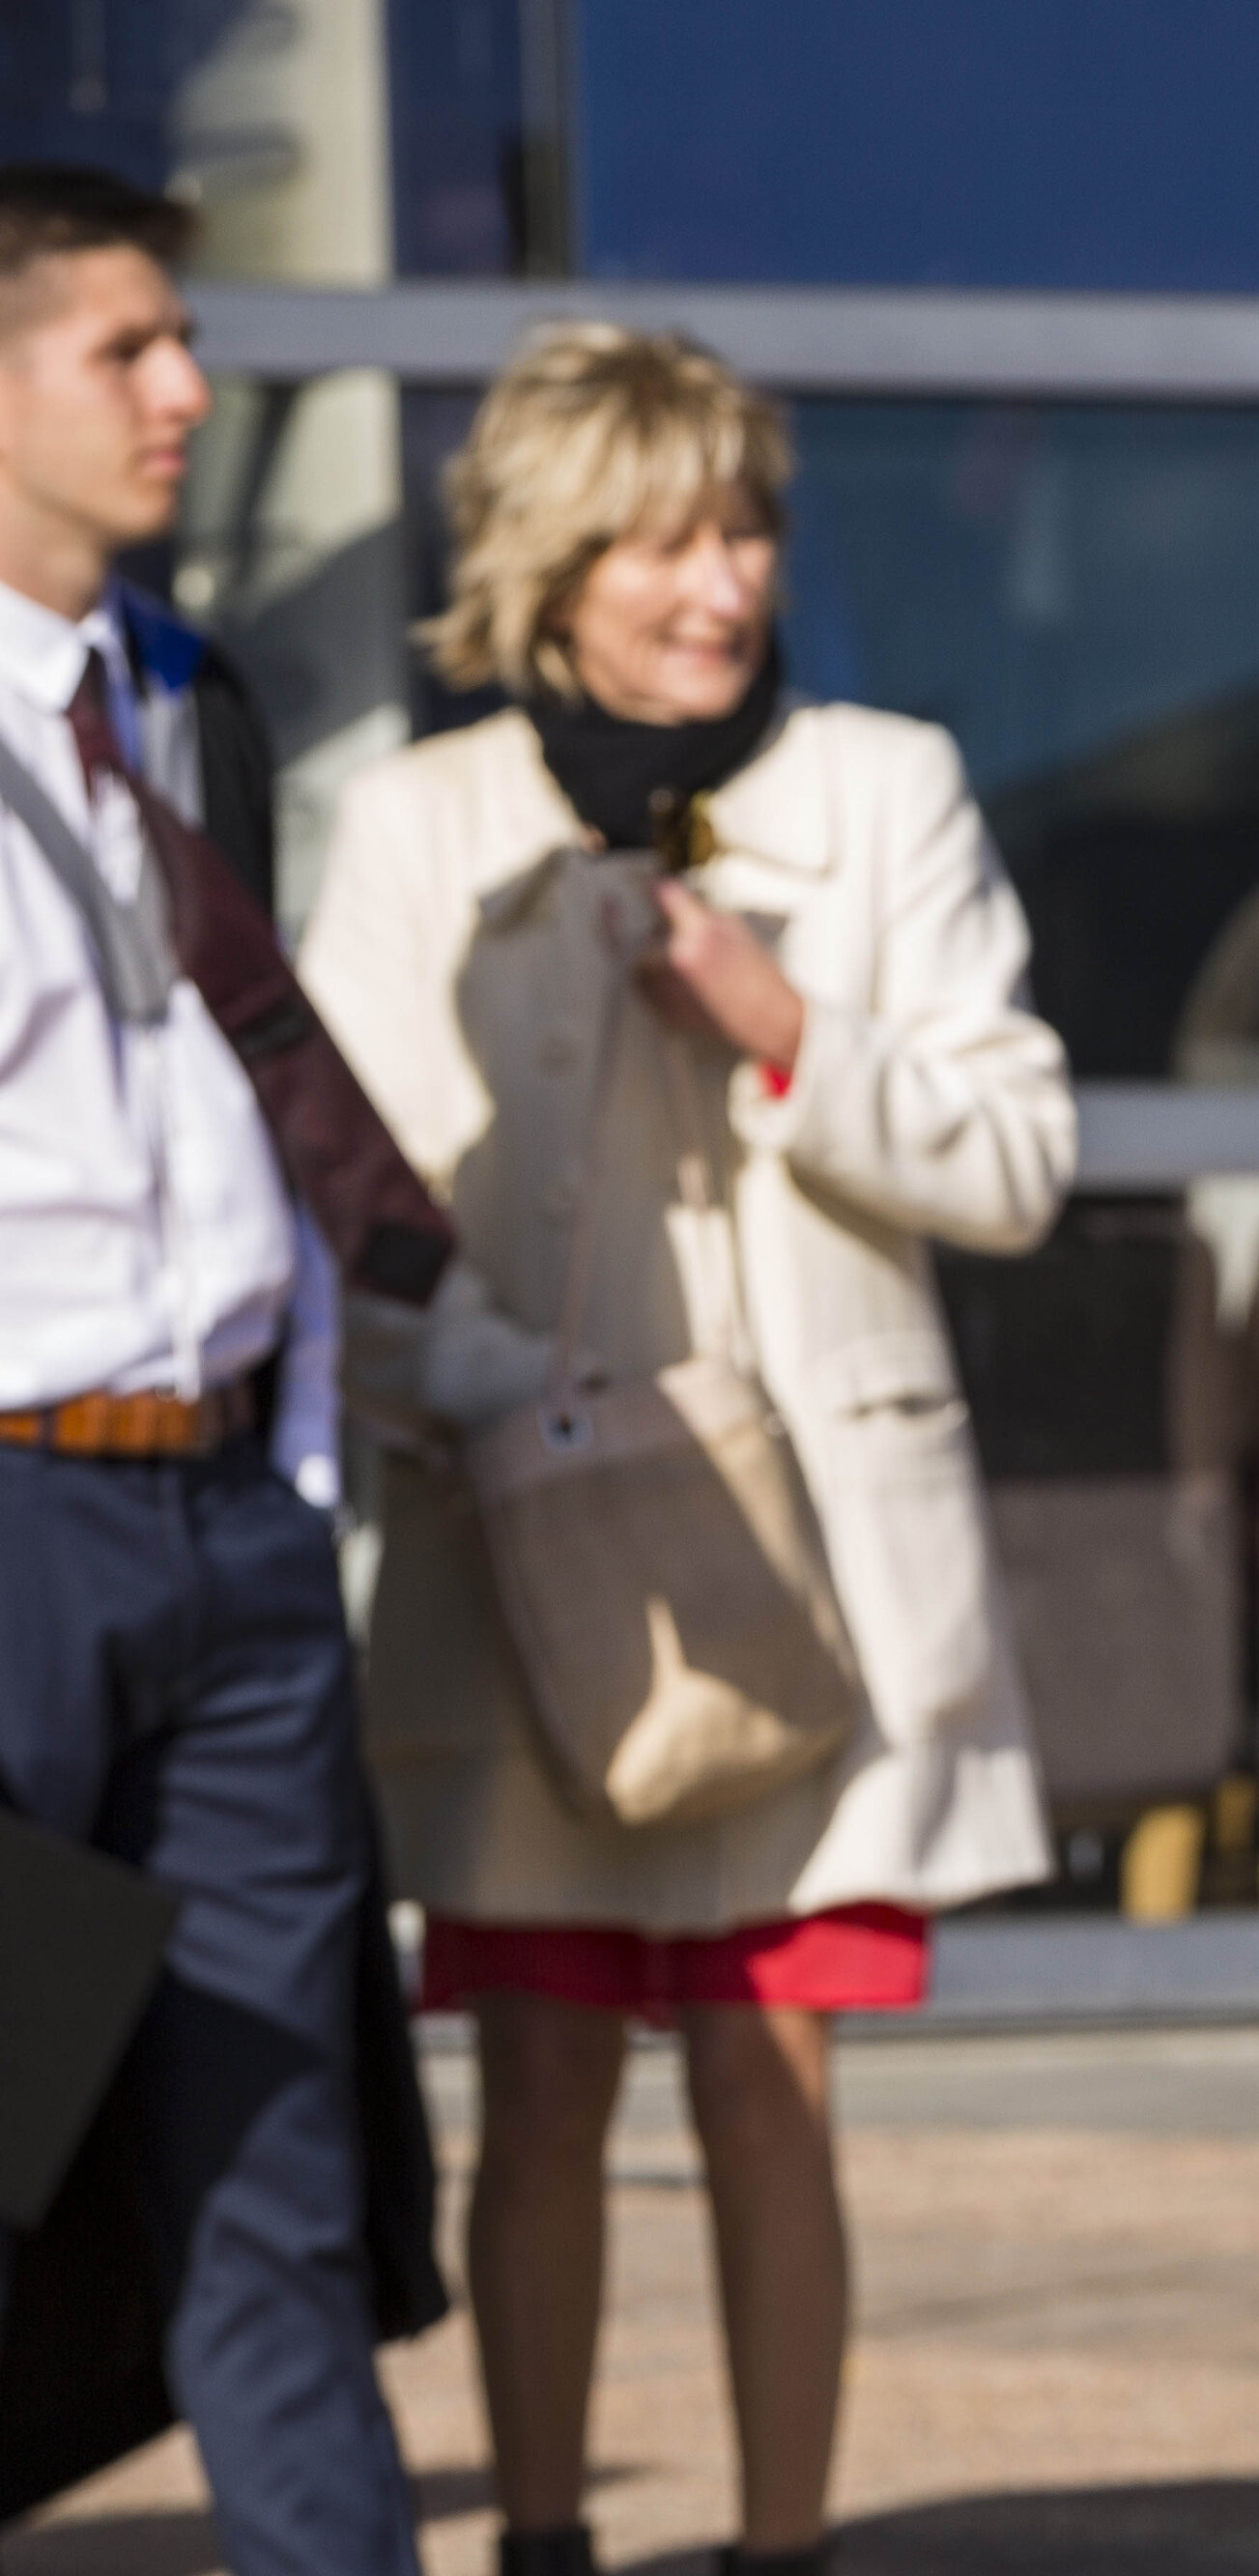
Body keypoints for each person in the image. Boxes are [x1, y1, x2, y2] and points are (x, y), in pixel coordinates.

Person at [296, 324, 1073, 2576]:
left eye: (740, 526)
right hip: (523, 1553)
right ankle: (540, 2534)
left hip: (806, 1569)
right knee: (534, 2082)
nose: (712, 580)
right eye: (656, 534)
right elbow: (329, 1200)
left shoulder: (884, 779)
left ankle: (783, 2545)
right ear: (546, 558)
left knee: (770, 2074)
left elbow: (1015, 1156)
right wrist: (469, 1389)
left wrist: (782, 1026)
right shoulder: (414, 816)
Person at [0, 164, 446, 2566]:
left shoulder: (187, 695)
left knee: (269, 2162)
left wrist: (291, 1468)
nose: (188, 391)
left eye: (186, 342)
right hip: (16, 1523)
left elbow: (245, 1104)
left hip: (234, 1539)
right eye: (125, 349)